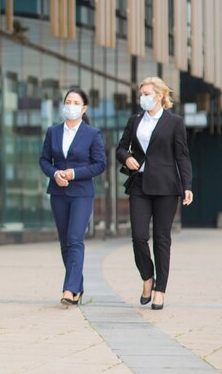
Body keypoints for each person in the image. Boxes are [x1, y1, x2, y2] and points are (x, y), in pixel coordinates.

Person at [116, 77, 193, 310]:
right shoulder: (134, 120)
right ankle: (147, 277)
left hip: (166, 187)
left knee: (162, 238)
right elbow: (121, 147)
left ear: (159, 96)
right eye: (142, 94)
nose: (143, 98)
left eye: (147, 94)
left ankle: (160, 289)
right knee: (138, 237)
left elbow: (182, 155)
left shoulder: (174, 122)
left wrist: (187, 185)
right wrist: (127, 157)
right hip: (139, 184)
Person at [39, 88, 107, 307]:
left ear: (83, 108)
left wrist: (74, 173)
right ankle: (76, 285)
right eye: (68, 101)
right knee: (65, 243)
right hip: (58, 193)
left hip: (81, 194)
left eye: (76, 102)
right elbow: (44, 160)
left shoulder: (92, 134)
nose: (71, 105)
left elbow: (100, 164)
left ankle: (68, 290)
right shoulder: (53, 132)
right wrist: (55, 173)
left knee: (75, 239)